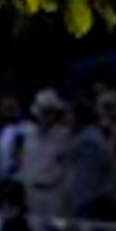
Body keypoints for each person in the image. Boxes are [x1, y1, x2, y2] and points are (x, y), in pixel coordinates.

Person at [17, 89, 72, 220]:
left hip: (54, 193)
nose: (46, 116)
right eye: (44, 111)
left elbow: (67, 166)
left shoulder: (64, 136)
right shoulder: (27, 134)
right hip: (31, 192)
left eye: (50, 112)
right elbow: (22, 161)